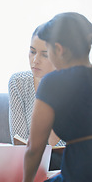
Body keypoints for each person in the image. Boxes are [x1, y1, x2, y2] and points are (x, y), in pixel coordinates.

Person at [16, 12, 92, 182]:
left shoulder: (53, 82)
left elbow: (35, 148)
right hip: (79, 174)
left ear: (59, 49)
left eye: (47, 50)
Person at [8, 25, 65, 170]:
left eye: (45, 55)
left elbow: (54, 143)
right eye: (32, 52)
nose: (35, 61)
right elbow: (20, 144)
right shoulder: (18, 83)